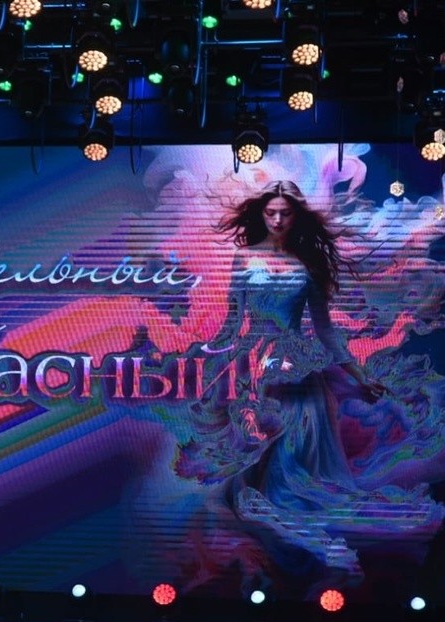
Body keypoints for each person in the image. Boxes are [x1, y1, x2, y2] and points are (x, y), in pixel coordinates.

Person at [176, 180, 441, 597]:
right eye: (271, 213)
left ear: (296, 217)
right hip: (253, 364)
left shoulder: (307, 265)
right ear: (262, 215)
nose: (277, 219)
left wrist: (359, 376)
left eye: (285, 213)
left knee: (294, 467)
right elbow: (233, 319)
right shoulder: (244, 257)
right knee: (253, 458)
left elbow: (326, 330)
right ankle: (267, 557)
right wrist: (210, 357)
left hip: (297, 366)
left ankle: (301, 554)